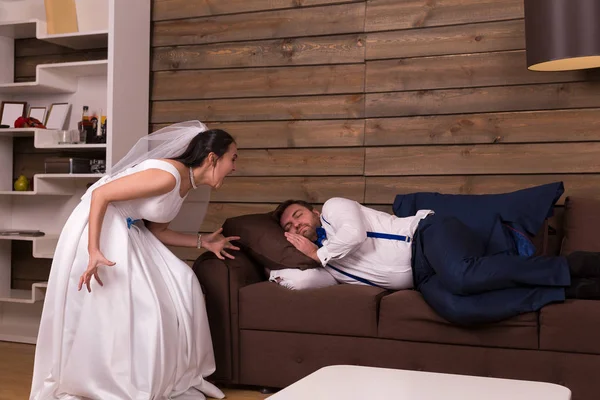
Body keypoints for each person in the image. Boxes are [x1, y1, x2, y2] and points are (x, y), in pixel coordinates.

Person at [30, 121, 239, 400]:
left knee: (183, 280)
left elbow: (158, 231)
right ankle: (113, 379)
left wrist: (204, 241)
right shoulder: (168, 176)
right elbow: (101, 195)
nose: (234, 167)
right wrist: (94, 250)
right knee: (140, 303)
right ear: (213, 158)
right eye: (232, 159)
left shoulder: (185, 183)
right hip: (99, 225)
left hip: (128, 229)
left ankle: (182, 372)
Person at [274, 197, 600, 325]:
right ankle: (570, 290)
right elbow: (308, 281)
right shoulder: (328, 263)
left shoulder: (333, 210)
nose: (297, 225)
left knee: (463, 276)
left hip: (428, 234)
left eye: (298, 216)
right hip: (423, 278)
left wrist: (318, 253)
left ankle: (573, 265)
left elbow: (355, 234)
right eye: (289, 227)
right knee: (461, 311)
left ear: (313, 211)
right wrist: (280, 269)